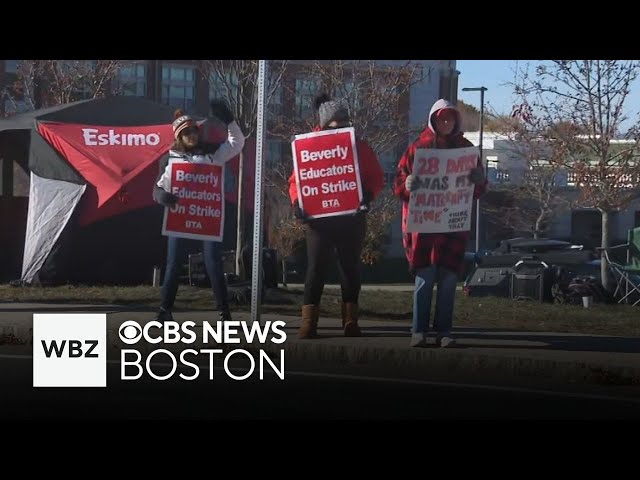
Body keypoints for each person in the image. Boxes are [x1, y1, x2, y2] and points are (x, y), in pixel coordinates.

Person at [289, 94, 384, 339]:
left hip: (351, 218)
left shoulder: (358, 146)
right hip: (318, 221)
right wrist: (298, 202)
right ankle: (309, 322)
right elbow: (296, 181)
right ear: (322, 124)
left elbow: (376, 177)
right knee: (316, 270)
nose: (340, 124)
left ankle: (350, 320)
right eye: (335, 121)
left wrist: (368, 196)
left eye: (344, 120)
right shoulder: (309, 147)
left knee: (349, 269)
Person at [393, 98, 487, 348]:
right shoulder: (418, 148)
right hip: (424, 228)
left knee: (447, 281)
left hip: (453, 226)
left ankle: (444, 331)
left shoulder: (466, 150)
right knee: (424, 279)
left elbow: (476, 191)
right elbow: (399, 182)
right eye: (441, 118)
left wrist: (478, 180)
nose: (445, 122)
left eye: (450, 118)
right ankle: (419, 330)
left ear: (456, 121)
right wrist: (408, 183)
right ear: (434, 120)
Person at [153, 100, 245, 322]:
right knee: (174, 264)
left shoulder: (213, 153)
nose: (192, 135)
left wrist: (229, 121)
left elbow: (237, 143)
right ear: (179, 137)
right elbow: (158, 187)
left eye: (194, 131)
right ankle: (165, 310)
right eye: (186, 133)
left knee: (213, 262)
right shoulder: (171, 158)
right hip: (179, 217)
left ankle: (224, 311)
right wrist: (161, 196)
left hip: (207, 217)